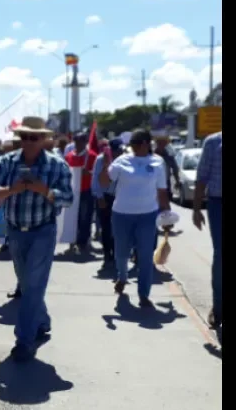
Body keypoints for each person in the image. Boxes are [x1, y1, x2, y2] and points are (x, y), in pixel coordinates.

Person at [0, 117, 74, 362]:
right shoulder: (6, 162)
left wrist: (44, 191)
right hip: (15, 231)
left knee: (34, 285)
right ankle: (42, 321)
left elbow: (67, 198)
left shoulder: (57, 166)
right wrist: (12, 190)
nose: (28, 142)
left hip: (42, 231)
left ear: (44, 139)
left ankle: (23, 341)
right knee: (27, 284)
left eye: (34, 137)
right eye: (24, 137)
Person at [98, 129, 171, 306]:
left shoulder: (157, 163)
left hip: (147, 215)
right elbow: (104, 183)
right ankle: (122, 277)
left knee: (145, 256)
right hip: (122, 214)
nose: (133, 148)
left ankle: (144, 294)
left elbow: (162, 191)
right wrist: (105, 166)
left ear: (146, 144)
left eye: (137, 144)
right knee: (122, 253)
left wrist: (167, 215)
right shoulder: (122, 161)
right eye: (132, 145)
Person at [192, 131, 221, 329]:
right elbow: (202, 176)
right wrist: (196, 209)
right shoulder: (213, 142)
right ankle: (218, 309)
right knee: (220, 255)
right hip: (218, 204)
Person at [91, 138, 124, 270]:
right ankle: (107, 255)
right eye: (116, 150)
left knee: (119, 229)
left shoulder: (124, 160)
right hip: (105, 197)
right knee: (106, 228)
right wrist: (99, 197)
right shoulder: (101, 159)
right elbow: (95, 180)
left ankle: (118, 255)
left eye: (120, 150)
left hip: (120, 197)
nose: (118, 153)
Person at [65, 132, 98, 254]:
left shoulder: (92, 156)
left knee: (85, 218)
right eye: (76, 141)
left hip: (86, 191)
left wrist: (88, 173)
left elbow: (97, 174)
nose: (78, 144)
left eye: (81, 141)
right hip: (72, 191)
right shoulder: (69, 156)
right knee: (72, 218)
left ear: (85, 142)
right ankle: (71, 241)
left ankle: (83, 242)